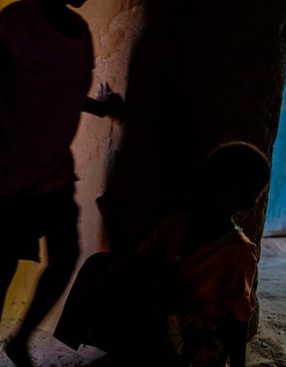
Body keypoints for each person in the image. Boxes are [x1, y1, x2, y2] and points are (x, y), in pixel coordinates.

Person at [0, 0, 125, 367]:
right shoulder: (17, 22)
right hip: (10, 173)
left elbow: (62, 92)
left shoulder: (80, 32)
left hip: (54, 173)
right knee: (1, 268)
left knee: (65, 258)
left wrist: (100, 107)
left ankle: (19, 340)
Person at [53, 141, 272, 367]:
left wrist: (238, 364)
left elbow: (237, 318)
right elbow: (133, 265)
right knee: (102, 265)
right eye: (206, 178)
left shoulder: (238, 252)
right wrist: (113, 224)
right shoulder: (174, 226)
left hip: (196, 337)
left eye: (221, 185)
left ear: (245, 204)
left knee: (175, 306)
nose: (206, 188)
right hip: (158, 316)